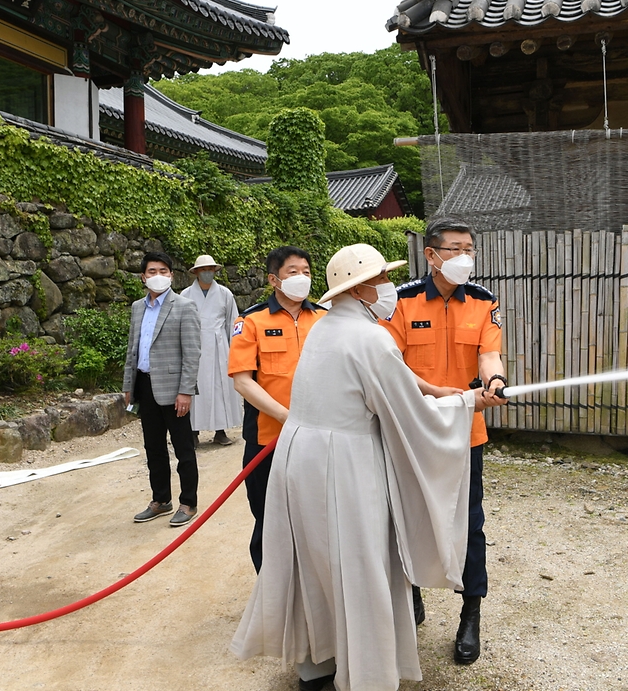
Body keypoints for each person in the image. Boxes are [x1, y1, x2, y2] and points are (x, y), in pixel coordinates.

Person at [230, 243, 505, 691]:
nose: (388, 288)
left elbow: (394, 380)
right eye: (380, 279)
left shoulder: (325, 328)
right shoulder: (369, 336)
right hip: (344, 464)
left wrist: (444, 393)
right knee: (359, 562)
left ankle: (317, 663)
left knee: (315, 561)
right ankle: (367, 673)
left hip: (300, 459)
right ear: (359, 290)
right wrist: (466, 401)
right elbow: (407, 413)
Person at [380, 216, 506, 665]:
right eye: (455, 248)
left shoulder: (483, 302)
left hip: (465, 431)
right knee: (405, 514)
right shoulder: (401, 301)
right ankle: (410, 593)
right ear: (431, 255)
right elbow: (390, 367)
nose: (465, 257)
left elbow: (489, 352)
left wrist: (494, 379)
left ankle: (470, 614)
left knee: (469, 522)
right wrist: (446, 394)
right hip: (410, 430)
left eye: (470, 248)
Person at [227, 246, 326, 573]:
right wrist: (287, 417)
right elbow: (243, 381)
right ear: (274, 279)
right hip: (268, 441)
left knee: (315, 518)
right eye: (292, 272)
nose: (302, 278)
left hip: (318, 440)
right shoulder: (251, 321)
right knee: (269, 519)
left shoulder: (325, 319)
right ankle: (272, 598)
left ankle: (311, 594)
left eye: (307, 272)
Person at [123, 251, 202, 527]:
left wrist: (186, 391)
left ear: (171, 275)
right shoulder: (137, 307)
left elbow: (192, 353)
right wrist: (128, 386)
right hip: (145, 385)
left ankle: (188, 502)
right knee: (153, 447)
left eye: (164, 271)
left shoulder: (184, 306)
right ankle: (161, 500)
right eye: (152, 271)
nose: (158, 276)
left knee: (183, 448)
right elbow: (132, 349)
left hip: (173, 388)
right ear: (143, 277)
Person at [181, 254, 242, 448]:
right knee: (194, 388)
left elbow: (233, 323)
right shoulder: (185, 295)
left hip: (219, 346)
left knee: (219, 387)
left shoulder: (225, 294)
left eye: (210, 270)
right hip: (193, 346)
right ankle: (192, 431)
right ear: (197, 272)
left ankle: (220, 430)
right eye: (203, 270)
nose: (207, 273)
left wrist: (235, 350)